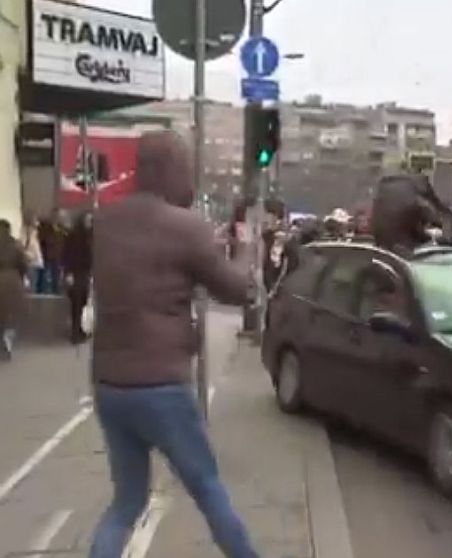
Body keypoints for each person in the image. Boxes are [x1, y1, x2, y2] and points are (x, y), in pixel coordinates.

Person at [88, 131, 259, 558]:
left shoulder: (105, 222)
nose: (191, 181)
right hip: (161, 385)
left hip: (111, 384)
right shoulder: (186, 228)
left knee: (126, 503)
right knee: (206, 486)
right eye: (186, 170)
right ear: (166, 170)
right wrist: (247, 250)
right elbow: (236, 291)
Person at [63, 213, 93, 344]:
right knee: (76, 304)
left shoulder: (87, 236)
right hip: (76, 274)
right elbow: (67, 255)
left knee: (81, 303)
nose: (90, 223)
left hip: (83, 274)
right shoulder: (76, 237)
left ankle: (79, 330)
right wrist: (68, 273)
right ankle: (75, 333)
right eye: (88, 220)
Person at [0, 220, 27, 361]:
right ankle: (6, 343)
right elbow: (23, 264)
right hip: (12, 281)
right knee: (10, 315)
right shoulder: (16, 245)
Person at [20, 211, 43, 292]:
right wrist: (30, 257)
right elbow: (23, 247)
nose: (37, 222)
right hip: (31, 263)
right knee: (31, 287)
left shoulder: (34, 232)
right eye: (35, 219)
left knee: (35, 286)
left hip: (36, 263)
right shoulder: (26, 233)